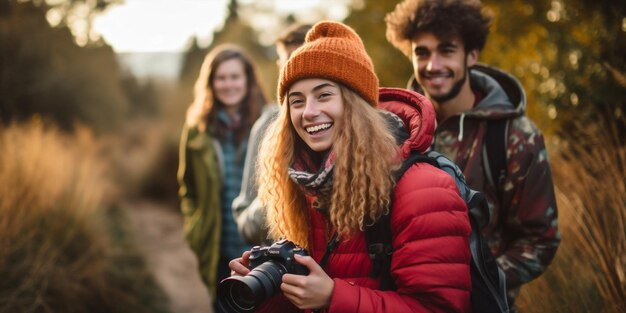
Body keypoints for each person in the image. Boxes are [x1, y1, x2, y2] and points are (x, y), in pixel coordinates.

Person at [227, 21, 472, 312]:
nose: (309, 112)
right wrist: (268, 289)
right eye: (296, 101)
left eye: (324, 95)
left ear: (355, 103)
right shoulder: (306, 186)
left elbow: (439, 308)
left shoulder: (422, 189)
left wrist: (333, 297)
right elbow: (312, 297)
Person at [385, 0, 560, 307]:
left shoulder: (515, 135)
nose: (433, 65)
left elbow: (539, 240)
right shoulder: (392, 130)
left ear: (472, 55)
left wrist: (482, 282)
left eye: (447, 50)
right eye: (421, 52)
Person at [177, 44, 267, 309]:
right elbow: (188, 189)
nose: (229, 84)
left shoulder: (269, 122)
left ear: (248, 80)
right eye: (221, 77)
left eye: (235, 76)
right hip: (219, 249)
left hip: (262, 250)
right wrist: (196, 231)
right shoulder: (196, 130)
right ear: (211, 83)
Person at [231, 23, 312, 246]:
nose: (298, 71)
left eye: (305, 60)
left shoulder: (338, 123)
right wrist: (276, 196)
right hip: (280, 270)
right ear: (280, 68)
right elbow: (244, 218)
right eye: (290, 62)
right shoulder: (266, 126)